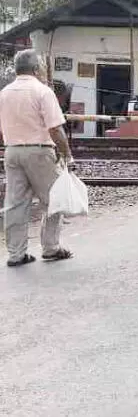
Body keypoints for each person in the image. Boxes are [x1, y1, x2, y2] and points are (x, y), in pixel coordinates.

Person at [0, 49, 75, 267]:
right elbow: (55, 129)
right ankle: (51, 248)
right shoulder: (42, 91)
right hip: (39, 151)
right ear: (35, 69)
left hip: (12, 151)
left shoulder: (4, 93)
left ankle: (16, 254)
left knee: (15, 204)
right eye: (41, 66)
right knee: (53, 199)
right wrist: (67, 155)